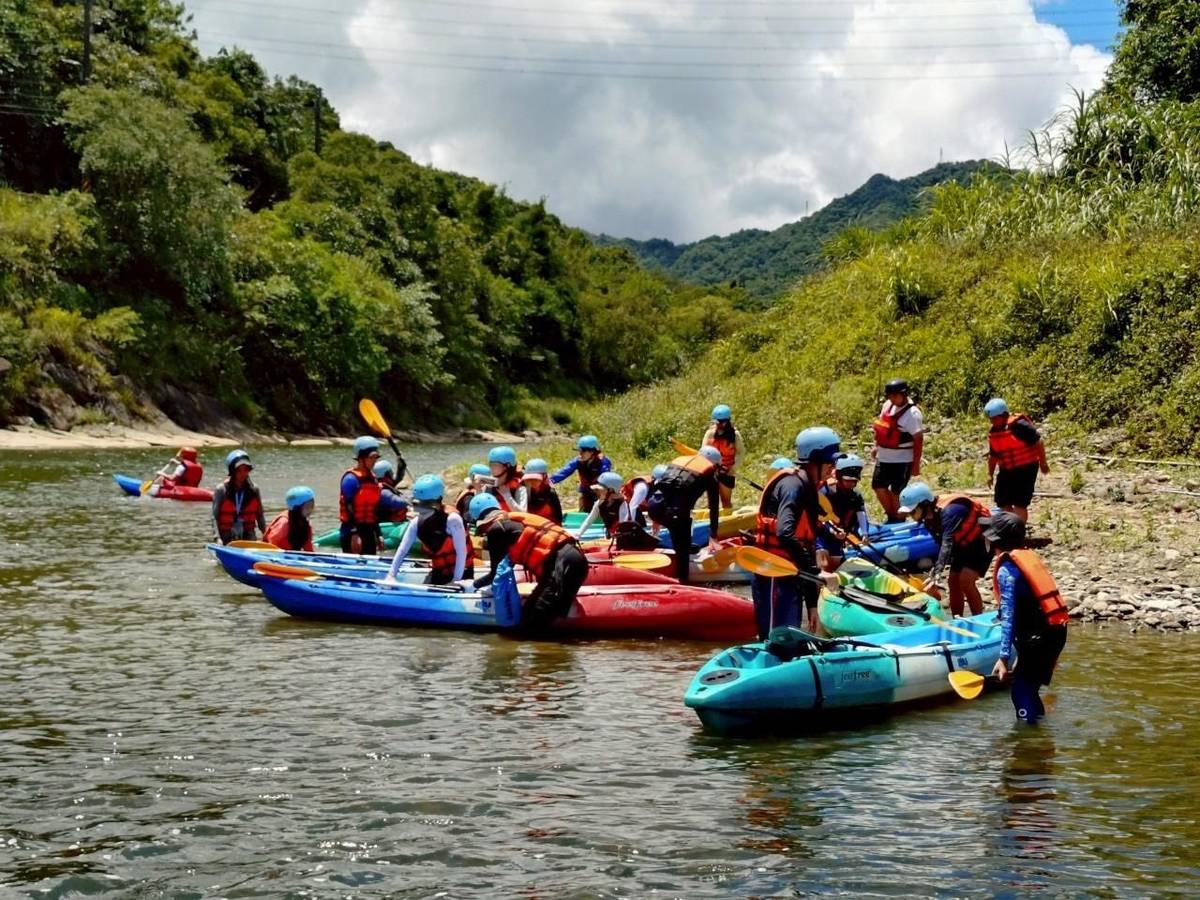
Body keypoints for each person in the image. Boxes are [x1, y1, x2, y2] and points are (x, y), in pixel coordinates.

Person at [752, 427, 840, 637]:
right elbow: (784, 533)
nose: (834, 468)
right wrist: (815, 572)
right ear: (814, 459)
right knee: (776, 638)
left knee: (789, 636)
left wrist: (811, 604)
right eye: (830, 462)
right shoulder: (793, 486)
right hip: (773, 573)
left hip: (790, 575)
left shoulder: (809, 487)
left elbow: (806, 547)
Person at [986, 512, 1069, 724]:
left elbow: (1009, 615)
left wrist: (1004, 657)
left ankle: (1029, 745)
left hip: (1038, 638)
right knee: (1029, 688)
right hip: (1055, 631)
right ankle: (1039, 735)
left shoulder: (1007, 570)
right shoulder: (1025, 557)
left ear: (995, 539)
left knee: (1021, 691)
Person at [468, 493, 589, 636]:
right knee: (529, 615)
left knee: (531, 627)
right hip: (573, 561)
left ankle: (549, 653)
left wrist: (473, 586)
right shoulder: (512, 522)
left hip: (562, 566)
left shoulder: (496, 530)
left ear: (481, 521)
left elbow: (494, 574)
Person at [898, 482, 992, 617]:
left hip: (981, 541)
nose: (911, 516)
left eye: (912, 511)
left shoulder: (951, 512)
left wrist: (937, 572)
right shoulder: (929, 518)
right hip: (962, 544)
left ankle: (979, 617)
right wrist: (933, 574)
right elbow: (940, 543)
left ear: (924, 504)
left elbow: (947, 542)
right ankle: (956, 619)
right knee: (953, 581)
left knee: (966, 580)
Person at [646, 445, 723, 583]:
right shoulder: (710, 474)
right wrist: (713, 536)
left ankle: (683, 553)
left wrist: (655, 519)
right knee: (683, 550)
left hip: (653, 507)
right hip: (674, 514)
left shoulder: (680, 462)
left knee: (683, 532)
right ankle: (683, 582)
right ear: (714, 464)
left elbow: (663, 488)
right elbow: (714, 507)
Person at [387, 475, 474, 586]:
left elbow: (461, 552)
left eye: (425, 505)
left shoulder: (453, 520)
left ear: (437, 502)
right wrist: (391, 575)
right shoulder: (416, 522)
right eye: (417, 504)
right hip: (439, 572)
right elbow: (403, 550)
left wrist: (455, 581)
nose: (420, 509)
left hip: (462, 574)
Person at [985, 398, 1050, 522]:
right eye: (990, 419)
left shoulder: (1019, 426)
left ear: (1003, 415)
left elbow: (1038, 441)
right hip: (1007, 469)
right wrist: (990, 474)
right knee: (1003, 500)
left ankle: (1019, 532)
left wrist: (1043, 462)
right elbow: (993, 456)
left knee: (1020, 503)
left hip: (1026, 468)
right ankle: (1009, 528)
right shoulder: (994, 432)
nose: (992, 421)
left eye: (994, 418)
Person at [338, 436, 405, 555]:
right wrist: (354, 533)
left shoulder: (373, 479)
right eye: (371, 457)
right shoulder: (350, 479)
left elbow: (373, 511)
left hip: (368, 531)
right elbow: (349, 507)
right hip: (352, 531)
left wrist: (378, 534)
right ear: (361, 458)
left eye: (376, 457)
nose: (375, 461)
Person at [871, 379, 924, 523]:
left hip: (902, 460)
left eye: (895, 396)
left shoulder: (913, 414)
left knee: (897, 493)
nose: (892, 399)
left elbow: (918, 440)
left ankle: (899, 520)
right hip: (884, 457)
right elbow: (882, 427)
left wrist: (915, 464)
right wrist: (876, 445)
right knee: (878, 487)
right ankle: (892, 516)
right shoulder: (887, 405)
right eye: (889, 396)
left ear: (904, 394)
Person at [574, 471, 660, 550]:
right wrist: (577, 536)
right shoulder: (599, 503)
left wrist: (615, 541)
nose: (597, 492)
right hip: (613, 538)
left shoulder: (624, 504)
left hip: (630, 539)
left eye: (600, 490)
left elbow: (625, 527)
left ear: (611, 490)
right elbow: (589, 520)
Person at [816, 454, 870, 572]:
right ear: (839, 476)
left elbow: (861, 514)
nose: (851, 484)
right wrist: (832, 530)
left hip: (840, 535)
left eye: (854, 481)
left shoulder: (855, 495)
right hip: (822, 533)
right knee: (823, 564)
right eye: (847, 481)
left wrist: (864, 533)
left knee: (835, 566)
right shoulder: (825, 492)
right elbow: (819, 516)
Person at [211, 449, 266, 545]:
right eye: (239, 470)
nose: (243, 474)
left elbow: (260, 516)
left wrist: (266, 534)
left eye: (246, 470)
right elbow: (214, 517)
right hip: (226, 537)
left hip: (248, 536)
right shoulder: (221, 490)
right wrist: (217, 538)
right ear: (232, 471)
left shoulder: (254, 490)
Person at [550, 435, 612, 512]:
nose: (580, 453)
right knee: (583, 507)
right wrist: (550, 481)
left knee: (602, 510)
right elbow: (564, 472)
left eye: (583, 451)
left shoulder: (603, 462)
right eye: (579, 450)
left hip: (600, 492)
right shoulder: (578, 461)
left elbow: (606, 479)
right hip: (585, 491)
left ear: (592, 452)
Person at [702, 404, 745, 510]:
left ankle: (727, 518)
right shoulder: (710, 434)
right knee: (712, 502)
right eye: (718, 422)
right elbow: (703, 452)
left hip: (727, 471)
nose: (720, 424)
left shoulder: (735, 435)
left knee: (726, 501)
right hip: (712, 472)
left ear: (728, 420)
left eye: (723, 422)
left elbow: (740, 453)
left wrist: (733, 468)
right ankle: (712, 523)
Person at [264, 486, 316, 552]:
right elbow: (271, 543)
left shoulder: (306, 524)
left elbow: (308, 548)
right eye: (307, 507)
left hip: (291, 556)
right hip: (276, 556)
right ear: (297, 508)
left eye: (312, 506)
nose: (310, 510)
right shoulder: (284, 523)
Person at [485, 446, 527, 512]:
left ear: (507, 467)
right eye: (490, 465)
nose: (491, 468)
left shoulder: (519, 488)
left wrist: (507, 496)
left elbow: (524, 513)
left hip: (512, 521)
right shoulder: (487, 484)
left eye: (495, 465)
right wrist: (478, 489)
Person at [522, 458, 564, 524]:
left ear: (544, 476)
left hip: (549, 526)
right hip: (532, 524)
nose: (532, 482)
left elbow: (558, 517)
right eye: (530, 479)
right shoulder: (526, 491)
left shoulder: (551, 493)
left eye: (535, 479)